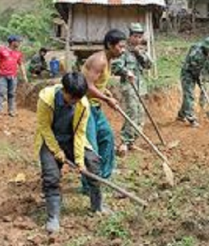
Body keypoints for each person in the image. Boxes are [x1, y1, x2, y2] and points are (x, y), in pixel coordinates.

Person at [35, 72, 103, 233]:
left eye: (78, 99)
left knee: (92, 163)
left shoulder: (83, 103)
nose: (75, 102)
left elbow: (80, 133)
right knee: (51, 176)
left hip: (72, 140)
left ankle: (97, 206)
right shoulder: (46, 99)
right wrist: (57, 151)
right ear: (64, 91)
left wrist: (79, 161)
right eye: (73, 99)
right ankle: (53, 217)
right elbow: (44, 128)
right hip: (50, 140)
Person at [81, 29, 126, 193]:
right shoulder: (99, 60)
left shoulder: (109, 60)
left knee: (107, 137)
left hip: (95, 106)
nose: (123, 50)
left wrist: (105, 92)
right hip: (84, 107)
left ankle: (104, 176)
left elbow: (97, 84)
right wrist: (107, 100)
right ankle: (88, 187)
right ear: (109, 45)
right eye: (120, 47)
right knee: (90, 147)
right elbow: (87, 86)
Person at [112, 23, 152, 156]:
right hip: (129, 86)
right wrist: (126, 71)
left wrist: (140, 54)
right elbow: (115, 67)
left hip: (141, 87)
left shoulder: (141, 51)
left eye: (140, 37)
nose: (137, 39)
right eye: (135, 36)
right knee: (132, 112)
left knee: (141, 115)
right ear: (130, 37)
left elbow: (148, 65)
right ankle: (124, 142)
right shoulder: (123, 51)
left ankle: (132, 142)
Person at [176, 37, 209, 128]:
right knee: (189, 95)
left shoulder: (206, 50)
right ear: (206, 47)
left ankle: (181, 115)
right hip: (188, 74)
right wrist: (202, 80)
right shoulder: (196, 55)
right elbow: (196, 71)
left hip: (197, 72)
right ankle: (191, 118)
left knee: (189, 96)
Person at [0, 35, 28, 118]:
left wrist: (24, 76)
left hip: (13, 76)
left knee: (12, 94)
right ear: (12, 42)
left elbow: (21, 64)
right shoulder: (2, 50)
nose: (19, 43)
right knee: (0, 92)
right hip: (2, 75)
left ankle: (11, 110)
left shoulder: (18, 53)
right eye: (18, 41)